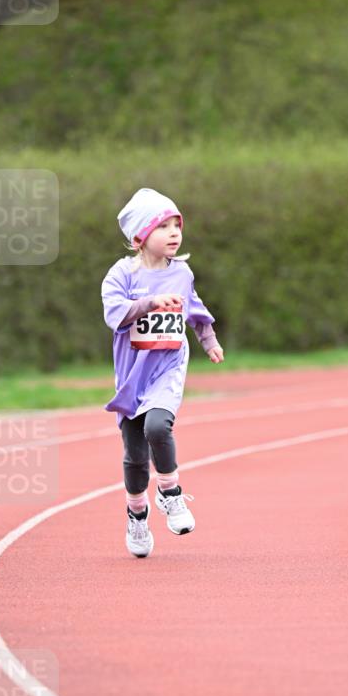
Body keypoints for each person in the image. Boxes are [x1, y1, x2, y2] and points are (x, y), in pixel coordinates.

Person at [101, 187, 224, 558]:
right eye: (163, 227)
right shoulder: (121, 274)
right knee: (135, 456)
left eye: (177, 225)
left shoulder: (182, 273)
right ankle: (137, 512)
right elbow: (114, 314)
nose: (174, 233)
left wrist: (209, 340)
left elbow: (196, 310)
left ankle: (170, 492)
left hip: (168, 365)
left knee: (158, 426)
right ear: (140, 236)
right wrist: (150, 303)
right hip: (132, 372)